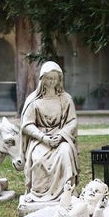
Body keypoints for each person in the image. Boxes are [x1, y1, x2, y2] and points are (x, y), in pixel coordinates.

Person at [20, 61, 79, 202]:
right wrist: (43, 138)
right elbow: (27, 125)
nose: (52, 81)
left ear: (59, 80)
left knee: (65, 152)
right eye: (48, 78)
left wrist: (60, 135)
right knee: (39, 158)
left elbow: (72, 122)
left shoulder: (65, 99)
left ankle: (66, 192)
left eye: (54, 78)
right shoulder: (33, 100)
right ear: (42, 80)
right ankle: (38, 192)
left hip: (60, 138)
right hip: (40, 140)